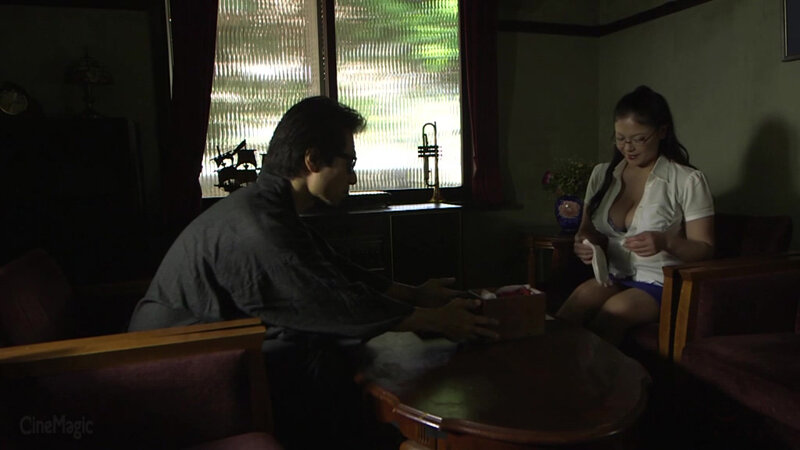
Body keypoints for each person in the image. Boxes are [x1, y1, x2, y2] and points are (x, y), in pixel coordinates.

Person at [128, 96, 498, 449]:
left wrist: (417, 295)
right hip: (176, 369)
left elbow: (336, 271)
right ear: (313, 160)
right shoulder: (258, 225)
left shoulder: (270, 208)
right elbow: (328, 301)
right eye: (349, 163)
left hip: (213, 348)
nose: (352, 178)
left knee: (337, 350)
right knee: (323, 356)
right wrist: (436, 320)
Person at [556, 85, 714, 345]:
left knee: (612, 314)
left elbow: (705, 249)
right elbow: (586, 230)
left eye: (638, 139)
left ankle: (602, 373)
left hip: (661, 281)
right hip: (614, 274)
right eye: (620, 138)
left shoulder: (687, 180)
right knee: (573, 308)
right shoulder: (602, 175)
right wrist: (584, 243)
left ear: (662, 131)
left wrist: (666, 242)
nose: (627, 148)